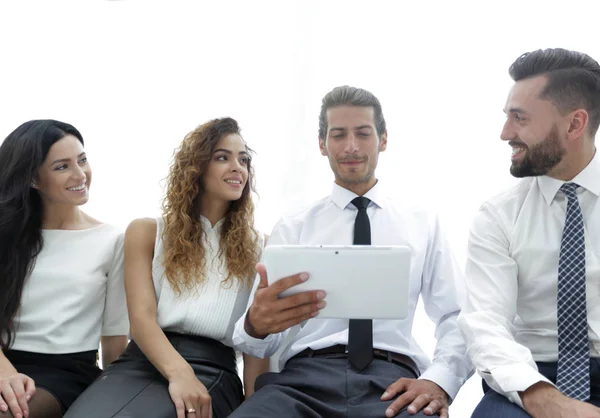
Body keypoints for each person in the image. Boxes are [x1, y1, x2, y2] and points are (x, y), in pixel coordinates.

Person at [230, 86, 472, 418]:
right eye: (339, 135)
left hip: (393, 384)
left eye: (363, 133)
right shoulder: (294, 226)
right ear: (322, 144)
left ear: (383, 140)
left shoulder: (422, 223)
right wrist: (256, 325)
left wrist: (440, 381)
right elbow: (260, 341)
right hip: (301, 384)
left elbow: (455, 316)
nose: (351, 147)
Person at [65, 117, 270, 418]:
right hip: (141, 362)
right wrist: (179, 374)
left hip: (213, 370)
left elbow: (257, 342)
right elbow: (141, 319)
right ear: (196, 168)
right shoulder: (146, 232)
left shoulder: (262, 247)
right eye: (222, 157)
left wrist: (255, 407)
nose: (238, 167)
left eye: (243, 159)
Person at [458, 48, 600, 417]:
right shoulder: (498, 216)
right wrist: (544, 398)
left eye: (519, 119)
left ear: (574, 124)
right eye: (507, 117)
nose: (505, 133)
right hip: (529, 374)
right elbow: (485, 322)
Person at [0, 120, 129, 418]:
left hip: (64, 373)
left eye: (82, 160)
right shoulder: (8, 235)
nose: (80, 174)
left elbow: (114, 337)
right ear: (33, 179)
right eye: (62, 166)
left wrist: (121, 399)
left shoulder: (112, 240)